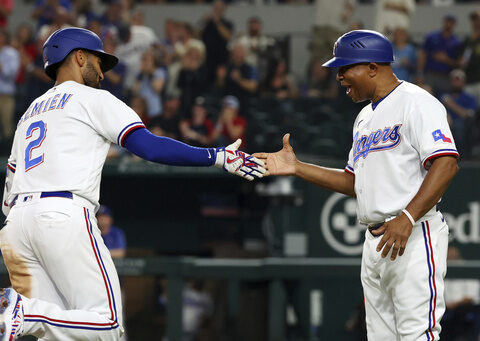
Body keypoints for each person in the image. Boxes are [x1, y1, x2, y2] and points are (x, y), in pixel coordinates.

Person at [0, 27, 265, 341]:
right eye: (99, 62)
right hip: (61, 216)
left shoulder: (28, 114)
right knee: (107, 325)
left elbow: (7, 193)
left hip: (15, 226)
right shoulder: (91, 98)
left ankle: (22, 313)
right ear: (79, 56)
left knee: (52, 333)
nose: (103, 72)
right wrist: (217, 156)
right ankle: (24, 312)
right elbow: (150, 147)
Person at [255, 30, 459, 340]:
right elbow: (353, 181)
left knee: (418, 335)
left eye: (345, 68)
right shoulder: (364, 117)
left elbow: (446, 163)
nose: (339, 77)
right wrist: (297, 168)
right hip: (376, 242)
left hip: (413, 234)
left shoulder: (417, 102)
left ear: (373, 67)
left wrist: (407, 218)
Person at [417, 14, 462, 97]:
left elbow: (458, 63)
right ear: (444, 22)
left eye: (451, 22)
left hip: (445, 76)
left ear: (454, 24)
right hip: (430, 74)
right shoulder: (432, 37)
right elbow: (423, 56)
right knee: (426, 97)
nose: (448, 24)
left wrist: (446, 59)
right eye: (447, 21)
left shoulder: (456, 42)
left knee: (444, 101)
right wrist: (420, 73)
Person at [441, 69, 477, 158]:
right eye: (454, 80)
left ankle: (462, 158)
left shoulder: (469, 98)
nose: (456, 83)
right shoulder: (443, 96)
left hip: (464, 126)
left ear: (463, 82)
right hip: (444, 124)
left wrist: (451, 104)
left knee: (458, 127)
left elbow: (468, 114)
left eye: (459, 80)